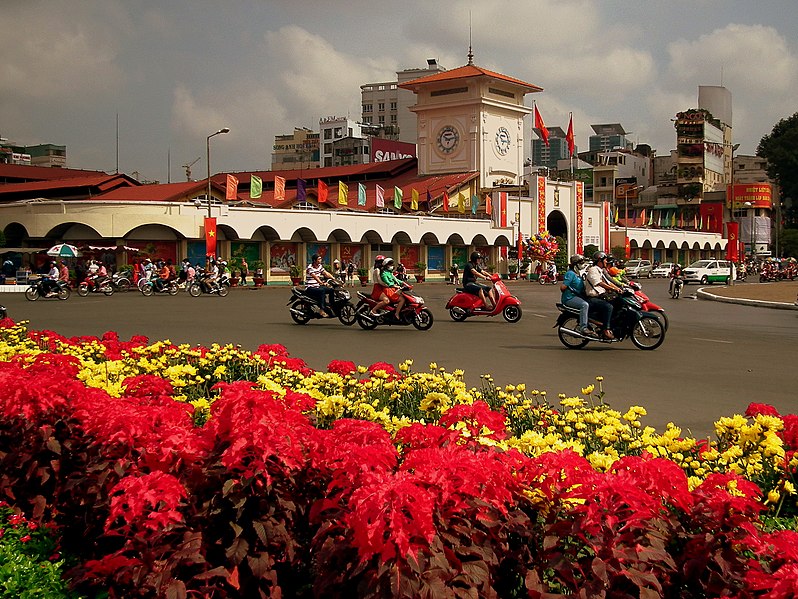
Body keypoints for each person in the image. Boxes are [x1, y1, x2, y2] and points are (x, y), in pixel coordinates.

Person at [584, 252, 622, 339]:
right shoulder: (593, 270)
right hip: (593, 298)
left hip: (601, 296)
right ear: (599, 261)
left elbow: (609, 282)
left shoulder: (600, 271)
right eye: (605, 260)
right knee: (608, 307)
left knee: (619, 303)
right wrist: (613, 289)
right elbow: (599, 283)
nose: (606, 262)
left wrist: (620, 288)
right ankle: (606, 329)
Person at [560, 254, 592, 336]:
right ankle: (583, 327)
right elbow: (563, 287)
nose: (583, 265)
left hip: (578, 297)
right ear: (575, 264)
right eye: (581, 263)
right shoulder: (570, 274)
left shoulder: (579, 274)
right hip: (569, 298)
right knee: (584, 305)